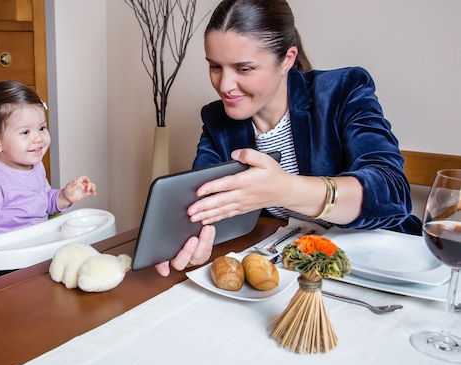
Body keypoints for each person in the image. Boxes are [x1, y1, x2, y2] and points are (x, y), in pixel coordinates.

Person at [155, 0, 421, 277]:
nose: (224, 86)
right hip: (293, 270)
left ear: (287, 59)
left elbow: (391, 193)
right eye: (215, 67)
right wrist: (188, 238)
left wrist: (284, 189)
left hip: (380, 267)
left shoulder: (342, 91)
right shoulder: (217, 120)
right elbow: (203, 203)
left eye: (244, 69)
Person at [0, 80, 97, 242]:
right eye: (25, 132)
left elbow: (43, 203)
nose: (38, 138)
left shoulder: (35, 166)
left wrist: (64, 197)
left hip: (36, 245)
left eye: (41, 128)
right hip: (5, 256)